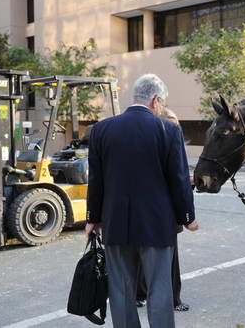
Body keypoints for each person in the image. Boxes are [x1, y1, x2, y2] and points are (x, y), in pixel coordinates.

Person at [85, 74, 198, 328]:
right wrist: (187, 217)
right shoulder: (168, 130)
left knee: (121, 290)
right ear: (156, 100)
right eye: (163, 102)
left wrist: (92, 218)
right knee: (159, 288)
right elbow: (179, 179)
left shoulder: (102, 129)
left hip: (115, 223)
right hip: (156, 226)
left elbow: (97, 181)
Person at [135, 106, 190, 312]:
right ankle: (140, 294)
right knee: (145, 254)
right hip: (157, 207)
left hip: (167, 210)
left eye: (176, 123)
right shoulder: (155, 141)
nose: (175, 127)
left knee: (170, 258)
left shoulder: (170, 142)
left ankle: (173, 297)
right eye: (172, 122)